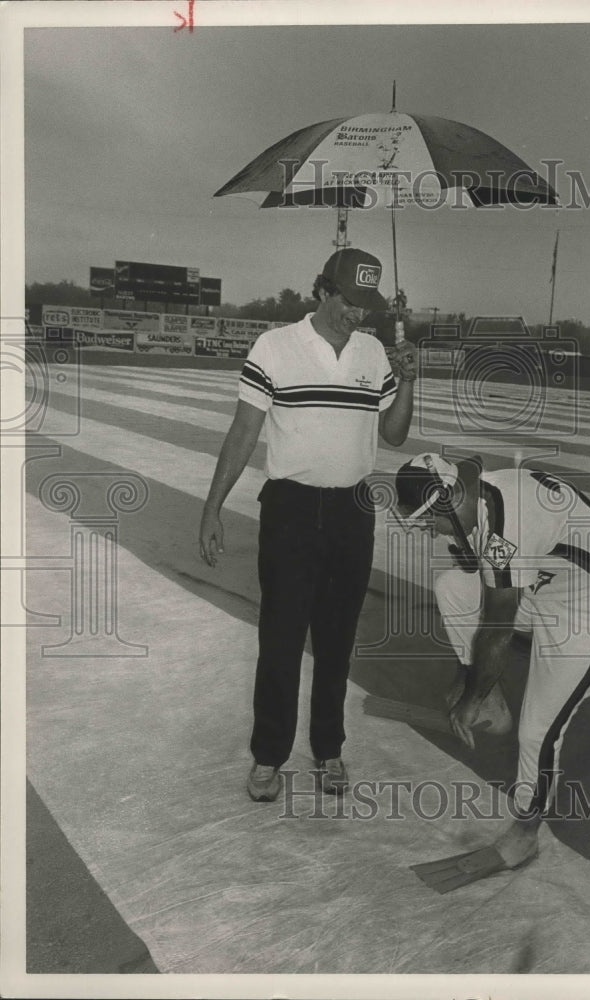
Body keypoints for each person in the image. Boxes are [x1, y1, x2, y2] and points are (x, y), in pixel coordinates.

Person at [199, 248, 417, 803]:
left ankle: (329, 750)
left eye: (366, 306)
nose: (357, 315)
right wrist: (212, 507)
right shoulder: (274, 347)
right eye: (348, 301)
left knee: (338, 641)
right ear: (322, 291)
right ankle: (269, 756)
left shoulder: (373, 352)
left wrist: (410, 380)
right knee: (280, 639)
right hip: (291, 509)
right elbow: (244, 431)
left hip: (354, 509)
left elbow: (393, 434)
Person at [393, 452, 590, 892]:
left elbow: (497, 628)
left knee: (539, 733)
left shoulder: (507, 523)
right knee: (453, 585)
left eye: (430, 517)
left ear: (450, 497)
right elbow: (479, 578)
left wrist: (469, 694)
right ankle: (491, 703)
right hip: (545, 593)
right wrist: (467, 680)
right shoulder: (480, 498)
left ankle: (524, 836)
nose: (429, 528)